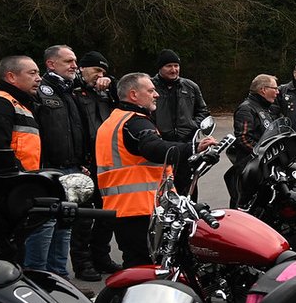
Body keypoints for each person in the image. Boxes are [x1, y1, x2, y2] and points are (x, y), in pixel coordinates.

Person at [97, 73, 216, 268]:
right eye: (151, 90)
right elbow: (153, 148)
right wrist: (194, 148)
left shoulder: (112, 121)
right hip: (141, 209)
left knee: (136, 263)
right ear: (134, 95)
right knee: (148, 267)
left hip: (121, 208)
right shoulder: (134, 122)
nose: (156, 95)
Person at [28, 45, 91, 280]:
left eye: (75, 61)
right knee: (44, 226)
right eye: (68, 61)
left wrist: (82, 159)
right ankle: (38, 279)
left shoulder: (69, 90)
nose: (75, 65)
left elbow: (76, 128)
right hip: (47, 169)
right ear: (51, 64)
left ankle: (60, 279)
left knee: (65, 225)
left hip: (71, 168)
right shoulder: (40, 92)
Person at [69, 51, 120, 281]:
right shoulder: (73, 91)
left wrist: (112, 85)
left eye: (103, 71)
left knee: (106, 214)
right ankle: (82, 263)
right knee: (84, 218)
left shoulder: (106, 93)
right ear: (83, 68)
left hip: (105, 162)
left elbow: (125, 103)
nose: (100, 75)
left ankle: (101, 257)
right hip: (84, 162)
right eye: (96, 70)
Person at [224, 74, 286, 206]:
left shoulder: (266, 108)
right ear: (263, 90)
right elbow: (243, 138)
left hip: (263, 167)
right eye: (274, 88)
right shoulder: (246, 108)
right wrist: (262, 154)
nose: (277, 91)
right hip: (250, 168)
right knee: (245, 204)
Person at [151, 49, 209, 143]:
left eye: (176, 66)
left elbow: (203, 111)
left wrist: (193, 125)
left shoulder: (191, 86)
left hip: (186, 142)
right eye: (169, 66)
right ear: (160, 67)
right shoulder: (150, 87)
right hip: (158, 142)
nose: (173, 70)